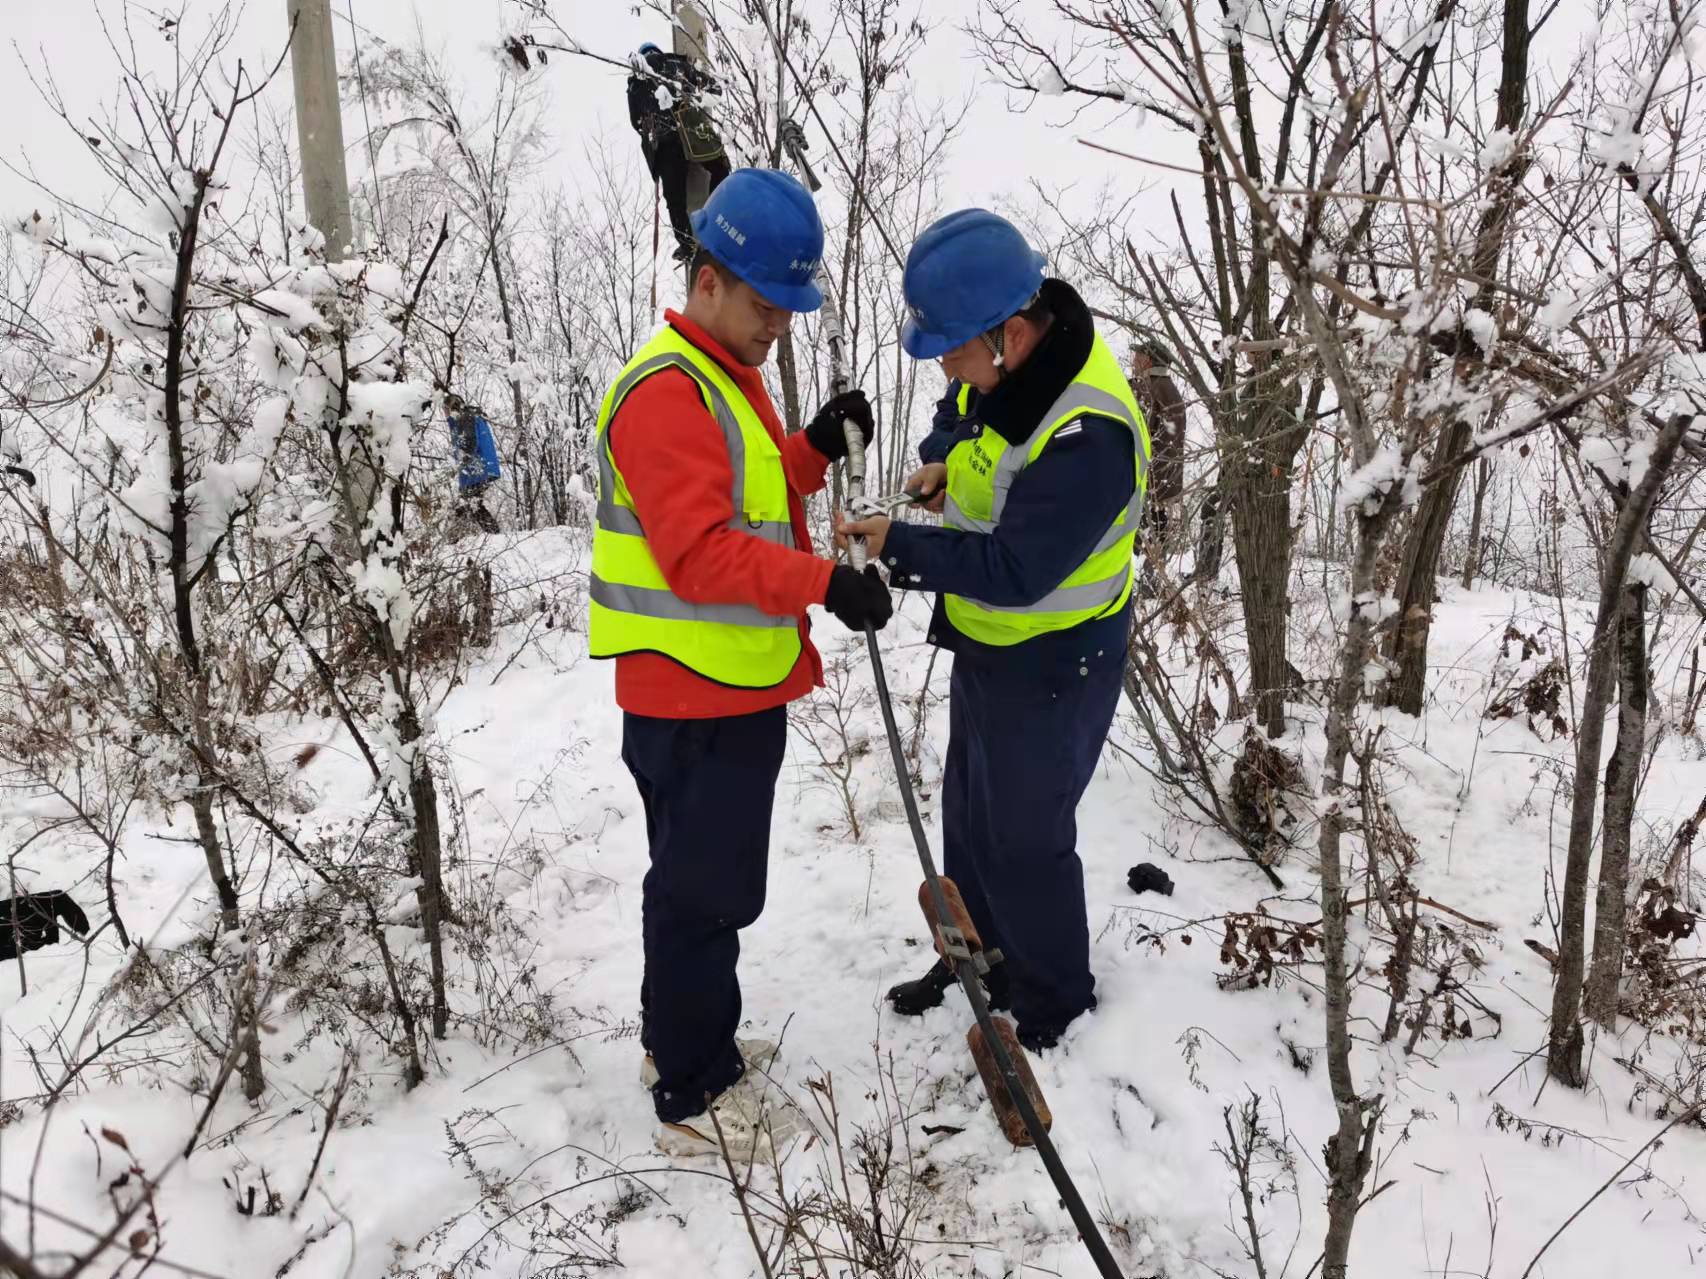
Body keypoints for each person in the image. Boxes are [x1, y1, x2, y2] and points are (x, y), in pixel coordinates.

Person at [589, 168, 891, 1161]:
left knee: (698, 885)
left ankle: (683, 1043)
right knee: (703, 895)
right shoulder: (667, 392)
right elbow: (701, 553)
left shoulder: (719, 378)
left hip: (723, 686)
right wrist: (825, 582)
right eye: (766, 303)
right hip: (694, 697)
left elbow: (751, 498)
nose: (778, 325)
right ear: (709, 279)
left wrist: (811, 448)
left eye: (788, 307)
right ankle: (693, 1088)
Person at [839, 210, 1151, 1052]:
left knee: (1023, 837)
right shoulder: (1007, 359)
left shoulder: (1090, 434)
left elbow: (1017, 569)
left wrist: (898, 546)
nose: (944, 365)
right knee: (971, 818)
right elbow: (961, 413)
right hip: (988, 643)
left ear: (1009, 335)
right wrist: (943, 457)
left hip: (1056, 659)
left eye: (951, 349)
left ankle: (1052, 1004)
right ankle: (979, 958)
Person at [627, 41, 732, 263]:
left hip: (666, 144)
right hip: (693, 131)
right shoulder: (678, 64)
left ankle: (687, 245)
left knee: (674, 198)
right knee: (720, 169)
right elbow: (714, 89)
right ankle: (718, 219)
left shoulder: (637, 79)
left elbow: (637, 123)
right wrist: (695, 99)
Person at [446, 395, 502, 535]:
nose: (444, 412)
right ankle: (456, 539)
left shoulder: (466, 417)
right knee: (467, 505)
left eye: (445, 409)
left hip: (477, 469)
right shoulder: (468, 417)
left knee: (471, 504)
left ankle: (494, 535)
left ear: (452, 408)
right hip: (480, 468)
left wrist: (462, 459)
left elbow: (469, 443)